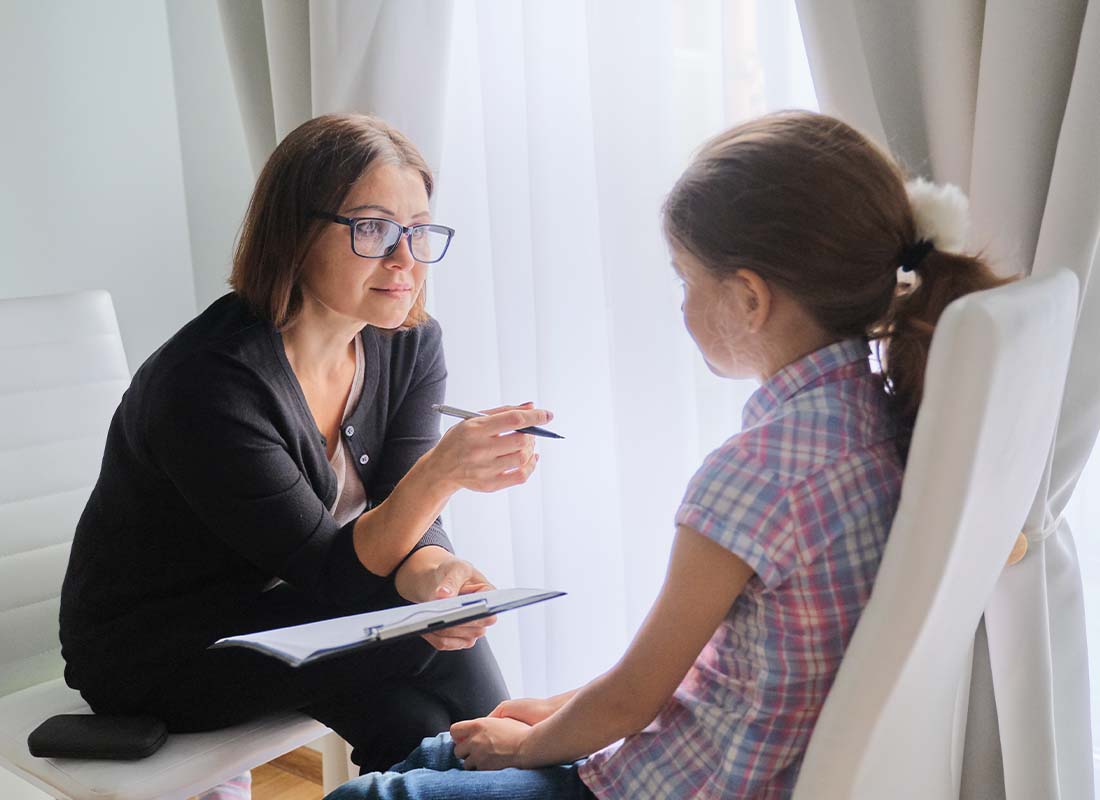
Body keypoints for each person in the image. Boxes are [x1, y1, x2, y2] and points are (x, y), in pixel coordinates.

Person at [323, 110, 1010, 800]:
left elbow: (633, 699)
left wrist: (532, 743)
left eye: (686, 281)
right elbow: (693, 674)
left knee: (375, 793)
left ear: (748, 299)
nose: (682, 308)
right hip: (710, 757)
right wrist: (559, 711)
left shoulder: (757, 474)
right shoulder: (883, 417)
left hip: (674, 785)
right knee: (440, 754)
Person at [58, 113, 553, 774]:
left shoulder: (407, 341)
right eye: (374, 229)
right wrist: (443, 473)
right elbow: (338, 577)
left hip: (298, 614)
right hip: (162, 649)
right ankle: (535, 777)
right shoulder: (207, 381)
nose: (405, 259)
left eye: (418, 231)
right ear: (295, 232)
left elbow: (400, 517)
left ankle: (521, 777)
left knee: (412, 720)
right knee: (431, 653)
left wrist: (436, 574)